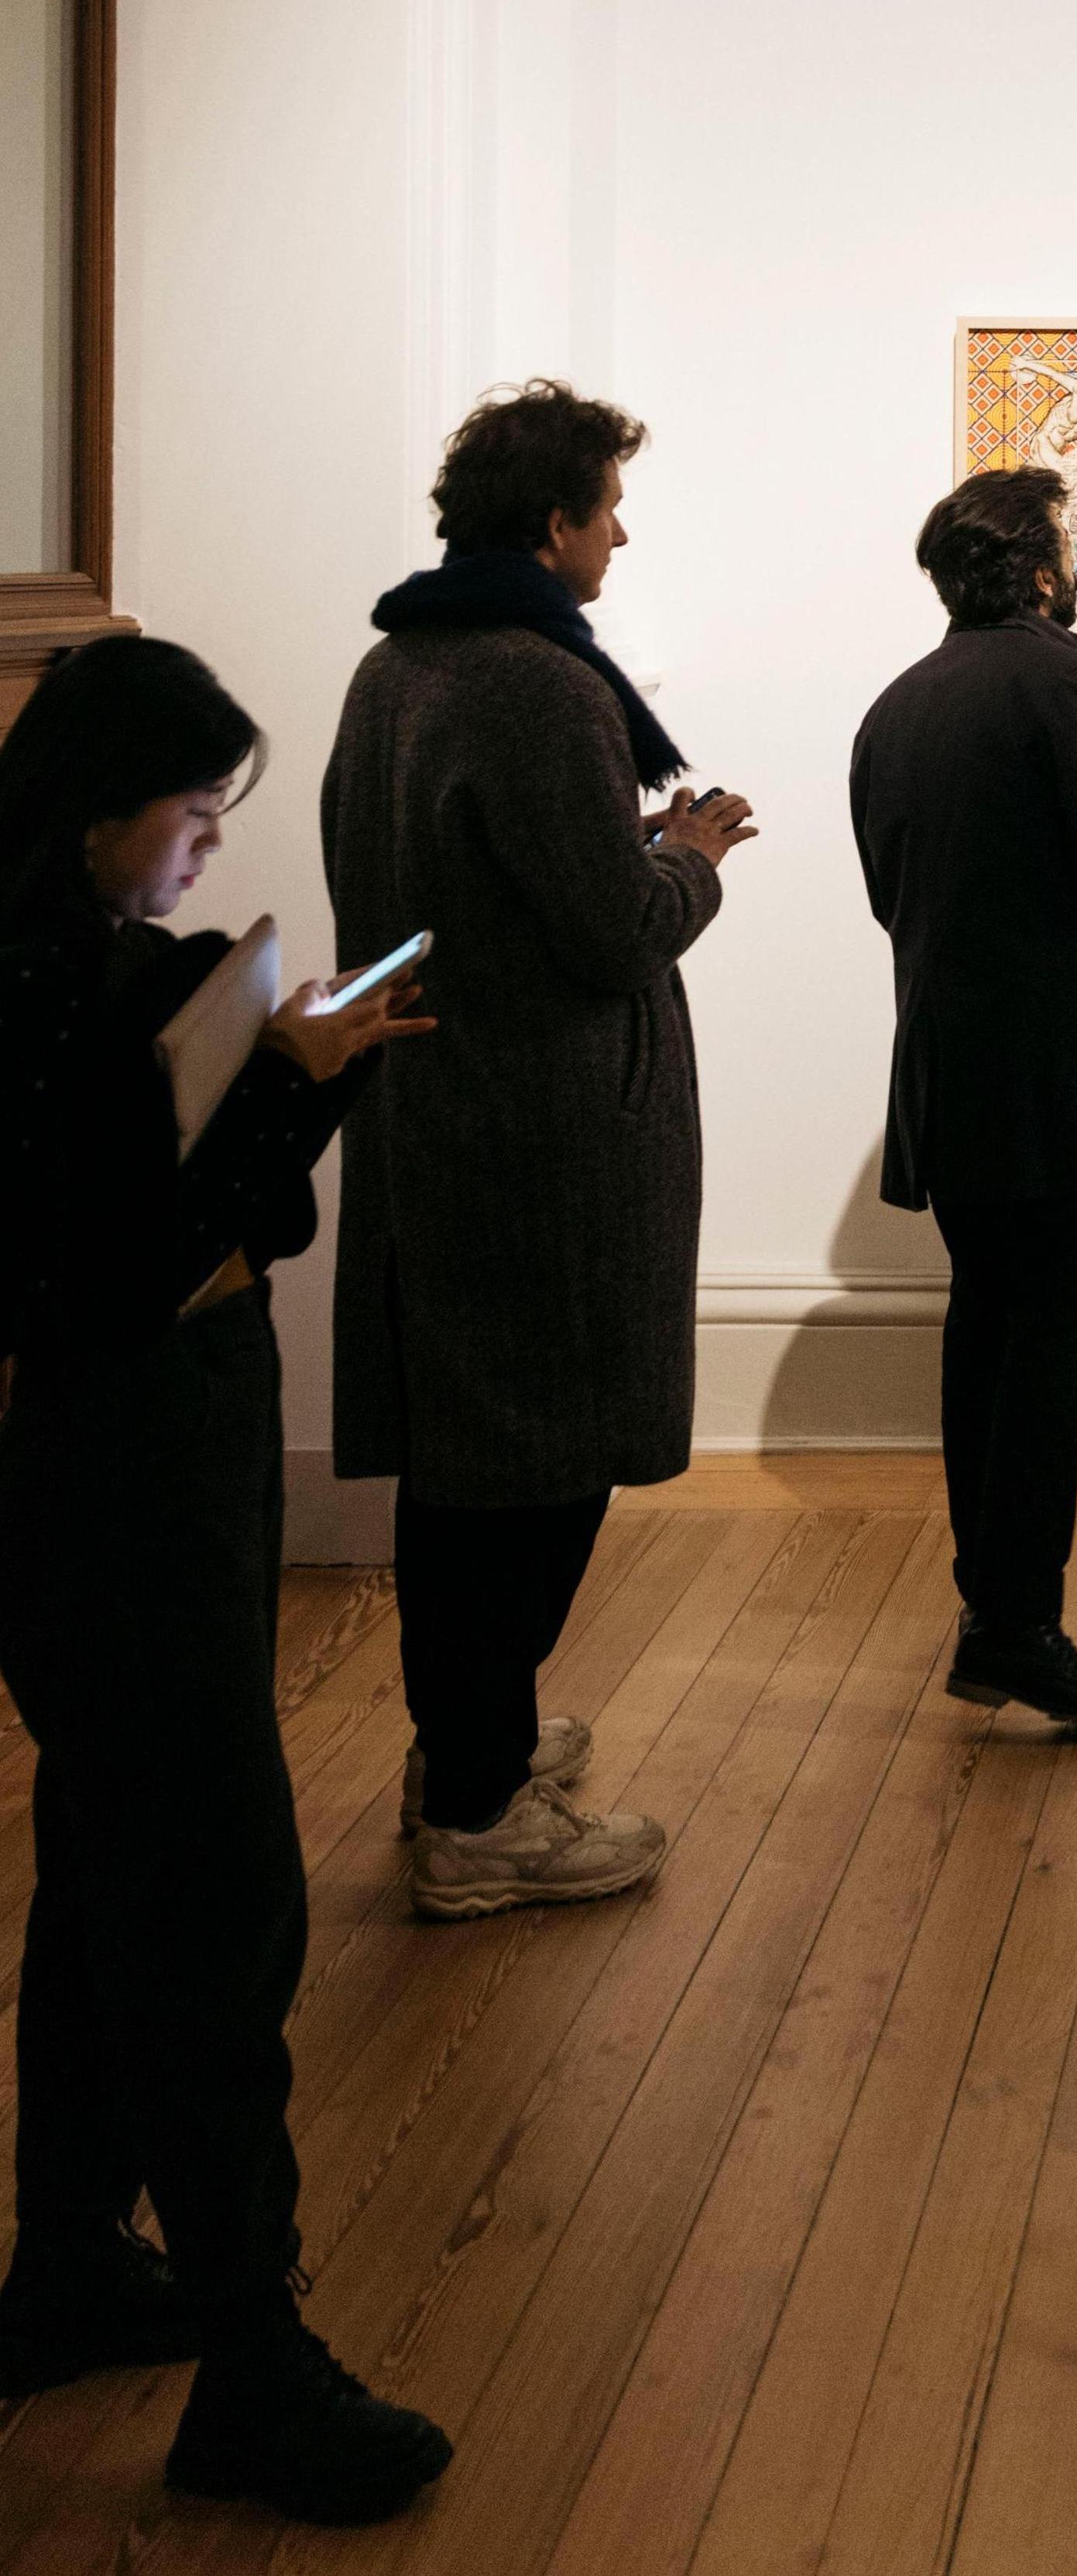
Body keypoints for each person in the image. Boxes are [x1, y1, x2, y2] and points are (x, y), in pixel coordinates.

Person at [0, 637, 452, 2522]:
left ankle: (78, 2259)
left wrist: (288, 1076)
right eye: (190, 814)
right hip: (116, 1462)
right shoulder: (48, 988)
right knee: (206, 1893)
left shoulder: (81, 967)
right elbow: (124, 1250)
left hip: (143, 1445)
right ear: (102, 808)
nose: (201, 849)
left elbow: (219, 1211)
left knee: (117, 1873)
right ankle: (254, 2366)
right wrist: (281, 1081)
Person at [324, 381, 750, 1918]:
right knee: (536, 1465)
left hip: (443, 1108)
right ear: (553, 521)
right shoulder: (535, 685)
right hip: (540, 1134)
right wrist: (687, 854)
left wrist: (633, 852)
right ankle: (483, 1808)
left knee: (469, 1458)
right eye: (608, 506)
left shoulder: (399, 666)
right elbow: (607, 925)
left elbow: (464, 886)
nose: (620, 532)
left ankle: (472, 1747)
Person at [850, 468, 1077, 1726]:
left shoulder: (899, 702)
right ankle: (1015, 1624)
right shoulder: (1057, 679)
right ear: (1037, 570)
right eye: (1068, 547)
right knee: (1050, 1350)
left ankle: (992, 1607)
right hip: (1054, 1069)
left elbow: (891, 893)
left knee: (984, 1334)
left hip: (949, 1064)